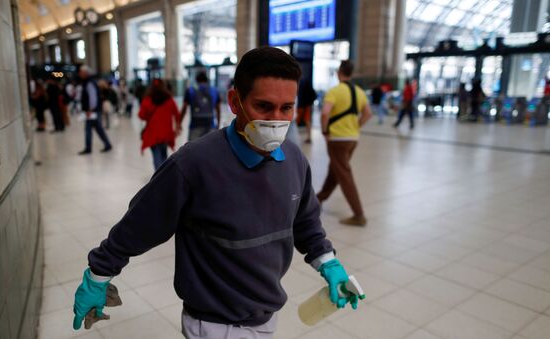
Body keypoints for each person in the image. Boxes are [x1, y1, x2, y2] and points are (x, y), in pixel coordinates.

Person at [72, 47, 363, 338]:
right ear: (235, 102)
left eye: (286, 108)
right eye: (264, 106)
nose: (276, 120)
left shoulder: (294, 160)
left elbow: (306, 223)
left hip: (265, 316)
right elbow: (141, 224)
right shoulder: (194, 164)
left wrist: (329, 264)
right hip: (214, 325)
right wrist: (98, 275)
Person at [317, 60, 372, 226]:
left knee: (344, 174)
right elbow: (368, 114)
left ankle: (359, 215)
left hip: (337, 139)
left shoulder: (334, 91)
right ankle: (318, 199)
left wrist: (325, 131)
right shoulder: (360, 92)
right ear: (351, 73)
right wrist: (357, 125)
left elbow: (325, 113)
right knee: (336, 170)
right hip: (353, 139)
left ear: (338, 73)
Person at [138, 79, 181, 170]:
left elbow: (141, 115)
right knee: (163, 154)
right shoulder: (169, 99)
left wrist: (149, 117)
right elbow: (177, 114)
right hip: (166, 133)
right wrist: (177, 126)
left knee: (156, 156)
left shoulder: (147, 100)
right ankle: (164, 176)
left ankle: (158, 178)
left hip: (152, 133)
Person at [77, 65, 112, 155]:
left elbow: (93, 98)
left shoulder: (89, 83)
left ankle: (89, 148)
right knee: (98, 128)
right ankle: (107, 144)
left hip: (93, 111)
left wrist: (90, 109)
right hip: (93, 110)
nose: (80, 74)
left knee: (89, 129)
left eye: (81, 72)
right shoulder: (87, 82)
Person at [180, 71, 221, 141]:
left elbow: (184, 108)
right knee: (210, 148)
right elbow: (218, 109)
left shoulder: (190, 90)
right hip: (210, 123)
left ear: (197, 80)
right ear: (207, 80)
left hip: (195, 124)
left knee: (193, 149)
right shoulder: (214, 90)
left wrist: (179, 122)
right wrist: (218, 124)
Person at [295, 78, 318, 143]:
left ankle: (293, 136)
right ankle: (309, 137)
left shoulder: (299, 82)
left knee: (296, 122)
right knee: (307, 121)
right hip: (307, 105)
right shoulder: (306, 82)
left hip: (301, 105)